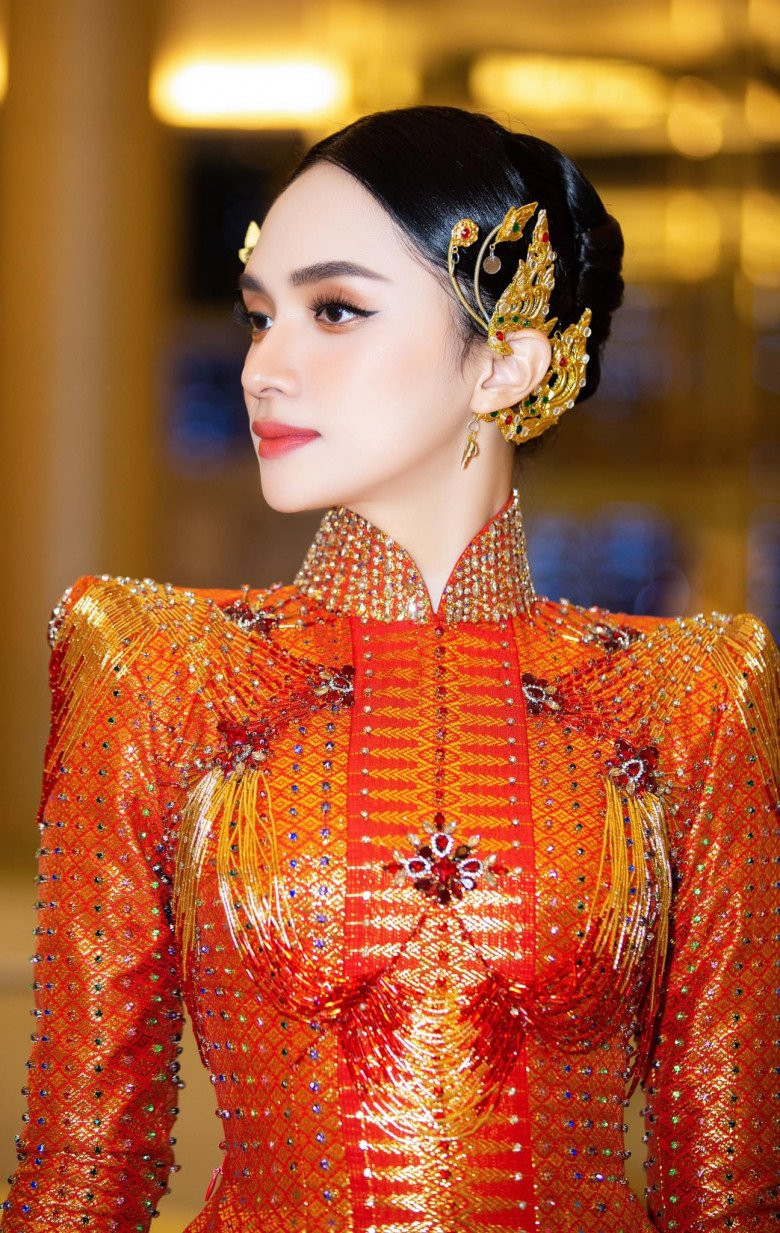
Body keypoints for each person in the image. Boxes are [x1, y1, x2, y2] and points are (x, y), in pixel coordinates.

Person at [2, 105, 777, 1233]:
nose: (263, 368)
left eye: (334, 310)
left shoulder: (686, 695)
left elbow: (731, 1190)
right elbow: (82, 1172)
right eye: (258, 316)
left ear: (505, 359)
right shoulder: (161, 668)